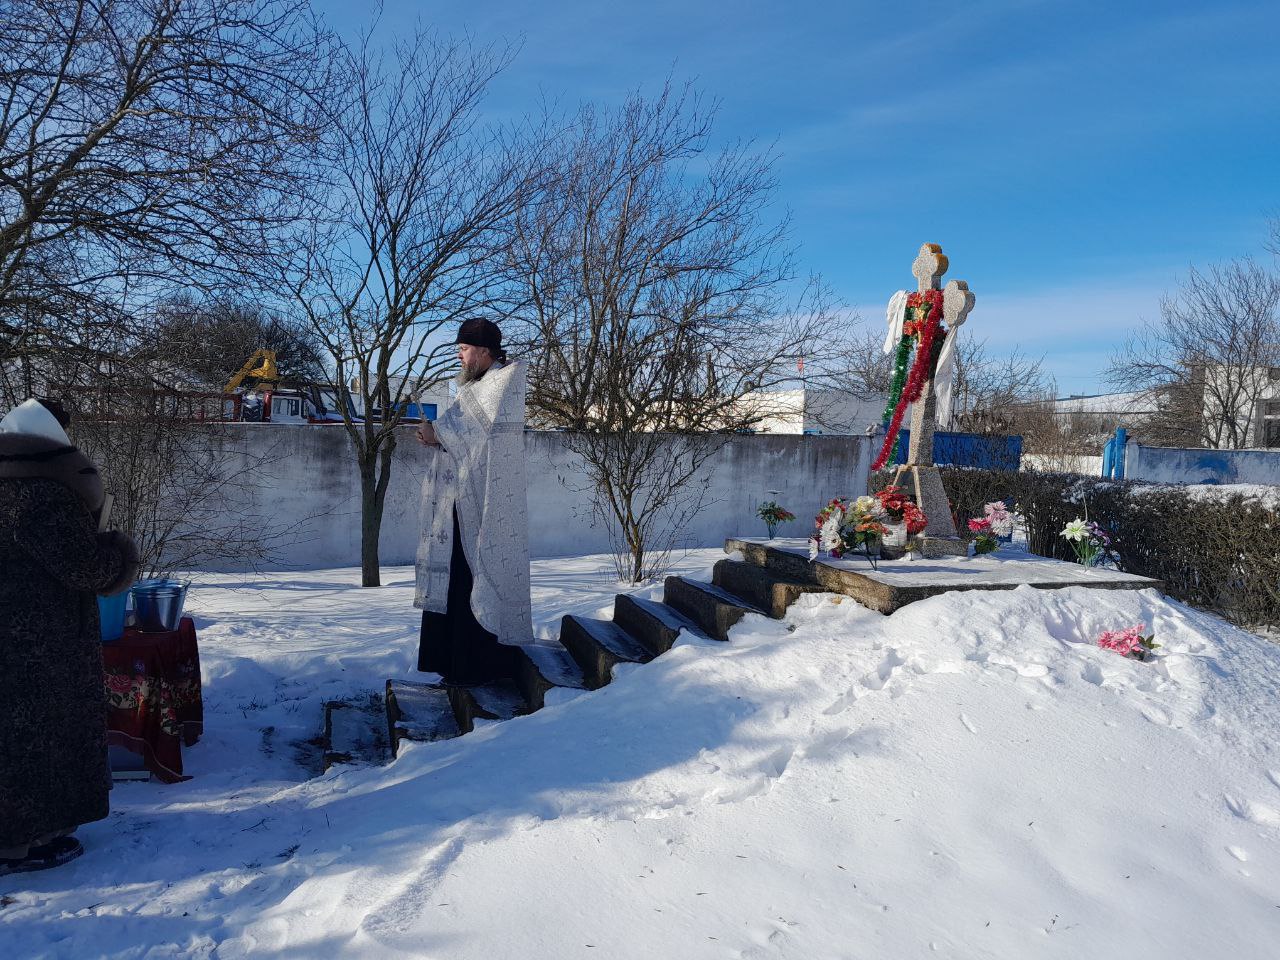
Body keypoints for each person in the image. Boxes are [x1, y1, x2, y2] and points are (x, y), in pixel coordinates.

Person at [0, 398, 139, 875]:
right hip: (38, 642)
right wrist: (119, 554)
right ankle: (19, 845)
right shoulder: (40, 495)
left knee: (19, 737)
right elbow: (83, 567)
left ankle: (34, 831)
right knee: (34, 739)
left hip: (19, 637)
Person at [414, 318, 532, 685]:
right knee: (455, 581)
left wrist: (437, 433)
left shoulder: (502, 382)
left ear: (483, 351)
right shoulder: (478, 386)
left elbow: (474, 436)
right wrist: (437, 435)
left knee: (470, 579)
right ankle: (452, 663)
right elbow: (465, 434)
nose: (460, 357)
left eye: (464, 350)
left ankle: (476, 667)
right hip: (459, 500)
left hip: (482, 505)